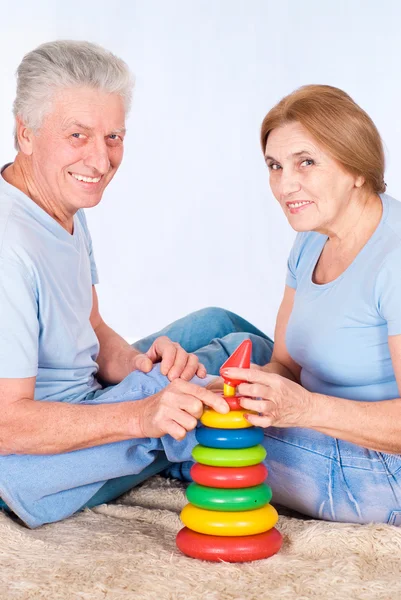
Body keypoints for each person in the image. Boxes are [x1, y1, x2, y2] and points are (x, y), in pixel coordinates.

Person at [0, 40, 274, 528]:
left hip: (82, 398)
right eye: (78, 135)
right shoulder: (10, 248)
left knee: (220, 324)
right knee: (235, 363)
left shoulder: (57, 202)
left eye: (113, 137)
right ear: (26, 133)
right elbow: (6, 423)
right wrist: (141, 413)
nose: (101, 160)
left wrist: (135, 363)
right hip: (28, 465)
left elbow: (92, 326)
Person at [210, 83, 401, 526]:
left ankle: (70, 442)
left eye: (306, 162)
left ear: (357, 168)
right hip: (318, 420)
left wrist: (303, 409)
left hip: (384, 469)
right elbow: (285, 365)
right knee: (215, 329)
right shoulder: (311, 238)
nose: (284, 184)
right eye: (275, 166)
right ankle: (115, 394)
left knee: (189, 421)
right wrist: (256, 386)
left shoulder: (394, 260)